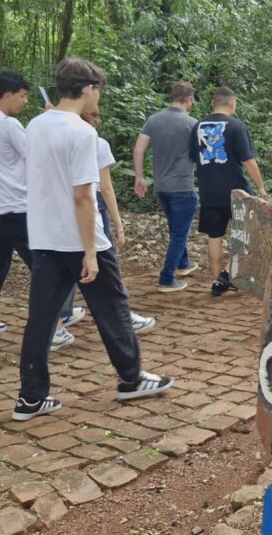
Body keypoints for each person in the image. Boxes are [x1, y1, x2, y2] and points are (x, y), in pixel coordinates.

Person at [14, 58, 173, 421]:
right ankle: (131, 378)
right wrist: (90, 250)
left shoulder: (36, 125)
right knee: (114, 309)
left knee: (41, 319)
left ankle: (31, 396)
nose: (98, 96)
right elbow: (84, 195)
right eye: (98, 89)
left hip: (44, 238)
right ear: (87, 89)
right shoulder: (83, 133)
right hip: (80, 241)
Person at [0, 71, 78, 351]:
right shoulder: (9, 125)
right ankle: (55, 325)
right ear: (8, 95)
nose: (25, 101)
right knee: (46, 264)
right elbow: (39, 155)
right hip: (16, 207)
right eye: (23, 96)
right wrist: (53, 120)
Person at [189, 86, 269, 296]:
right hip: (237, 192)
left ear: (213, 103)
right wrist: (260, 187)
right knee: (250, 233)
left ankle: (218, 280)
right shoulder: (236, 126)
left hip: (209, 192)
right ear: (232, 103)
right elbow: (248, 161)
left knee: (214, 237)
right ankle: (226, 274)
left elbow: (194, 161)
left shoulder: (198, 126)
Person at [82, 105, 155, 333]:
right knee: (107, 262)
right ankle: (123, 317)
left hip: (62, 206)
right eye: (96, 114)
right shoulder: (96, 143)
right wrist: (118, 225)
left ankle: (59, 320)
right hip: (91, 202)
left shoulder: (52, 135)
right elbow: (106, 187)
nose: (99, 120)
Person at [133, 82, 200, 293]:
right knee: (179, 234)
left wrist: (139, 177)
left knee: (175, 228)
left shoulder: (154, 120)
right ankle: (167, 277)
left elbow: (139, 149)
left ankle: (183, 263)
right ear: (189, 99)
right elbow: (199, 157)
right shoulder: (192, 123)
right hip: (182, 186)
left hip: (161, 186)